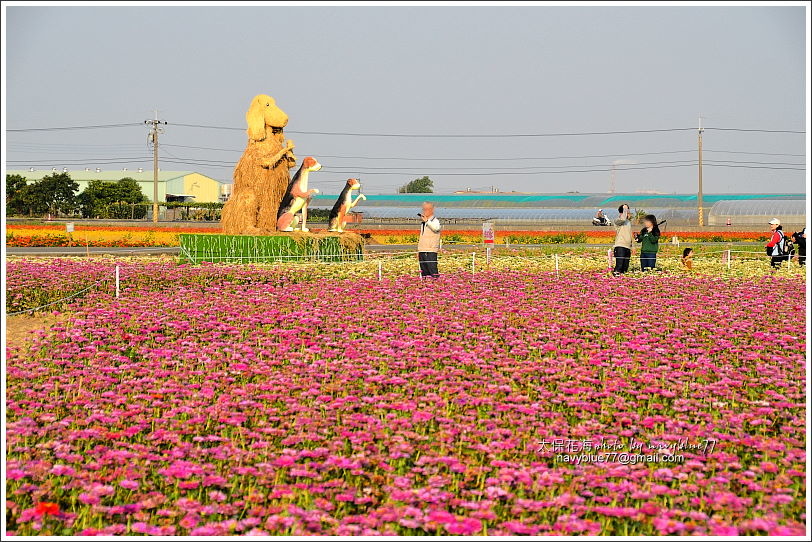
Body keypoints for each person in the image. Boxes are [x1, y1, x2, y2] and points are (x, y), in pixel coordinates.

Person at [417, 201, 441, 277]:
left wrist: (427, 221)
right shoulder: (424, 222)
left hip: (430, 250)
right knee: (424, 272)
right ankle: (426, 286)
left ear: (432, 210)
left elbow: (436, 228)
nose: (425, 211)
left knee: (432, 270)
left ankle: (436, 285)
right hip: (422, 249)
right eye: (424, 209)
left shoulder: (435, 221)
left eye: (427, 209)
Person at [612, 204, 633, 275]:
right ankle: (615, 279)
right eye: (627, 211)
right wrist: (625, 208)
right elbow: (623, 219)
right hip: (620, 246)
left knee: (625, 267)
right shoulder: (617, 221)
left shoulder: (628, 222)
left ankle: (622, 281)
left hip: (627, 247)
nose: (629, 213)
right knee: (619, 266)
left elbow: (630, 234)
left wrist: (632, 246)